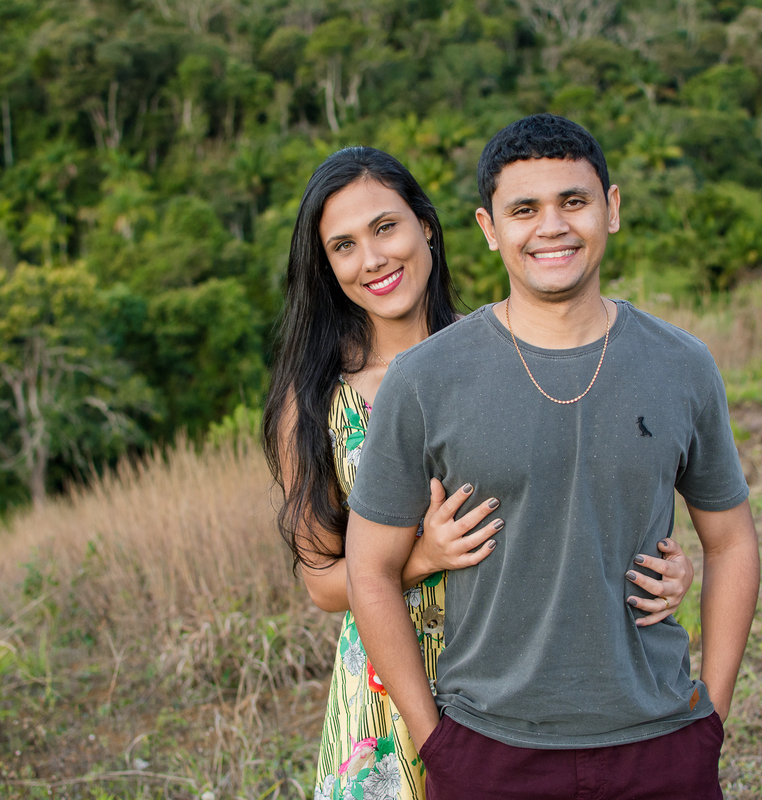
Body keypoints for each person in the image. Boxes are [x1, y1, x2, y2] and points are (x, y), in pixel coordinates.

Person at [344, 116, 761, 799]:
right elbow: (368, 570)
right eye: (524, 210)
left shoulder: (681, 364)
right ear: (488, 227)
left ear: (611, 208)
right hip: (489, 753)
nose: (552, 227)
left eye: (573, 201)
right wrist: (436, 742)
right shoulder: (426, 379)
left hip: (659, 743)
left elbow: (732, 540)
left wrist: (710, 717)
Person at [262, 146, 697, 800]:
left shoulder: (508, 352)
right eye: (344, 246)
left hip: (517, 671)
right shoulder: (317, 397)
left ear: (426, 226)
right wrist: (422, 556)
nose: (372, 259)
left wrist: (664, 566)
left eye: (385, 228)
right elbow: (323, 583)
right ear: (327, 266)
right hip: (385, 688)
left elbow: (573, 501)